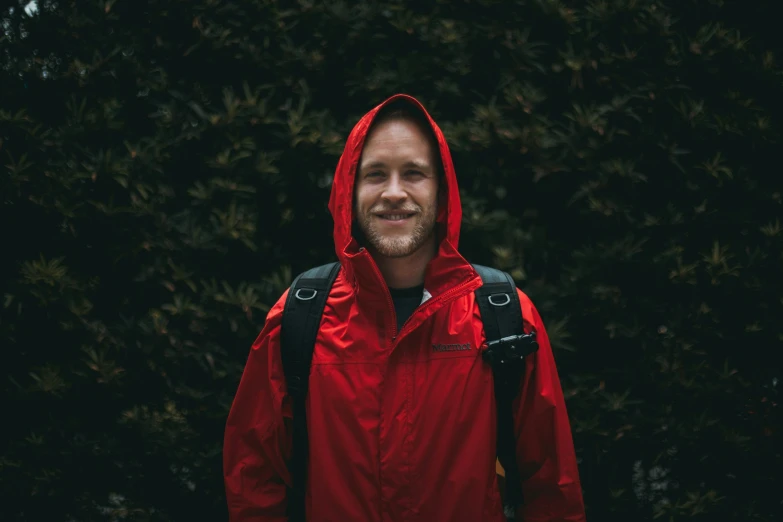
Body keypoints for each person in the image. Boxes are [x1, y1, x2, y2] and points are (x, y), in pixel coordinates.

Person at [223, 94, 586, 522]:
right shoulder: (299, 316)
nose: (394, 193)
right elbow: (254, 481)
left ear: (441, 190)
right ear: (348, 190)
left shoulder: (503, 315)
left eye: (413, 173)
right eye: (375, 174)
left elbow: (551, 487)